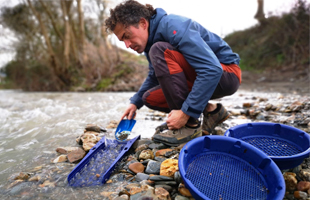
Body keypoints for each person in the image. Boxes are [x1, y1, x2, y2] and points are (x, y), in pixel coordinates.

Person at [105, 0, 241, 146]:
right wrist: (135, 103)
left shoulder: (173, 25)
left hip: (227, 74)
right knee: (149, 98)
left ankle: (189, 127)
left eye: (127, 36)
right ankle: (212, 111)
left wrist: (185, 114)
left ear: (143, 23)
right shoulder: (150, 43)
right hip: (201, 76)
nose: (127, 45)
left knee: (159, 50)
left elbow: (212, 69)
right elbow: (155, 76)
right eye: (122, 41)